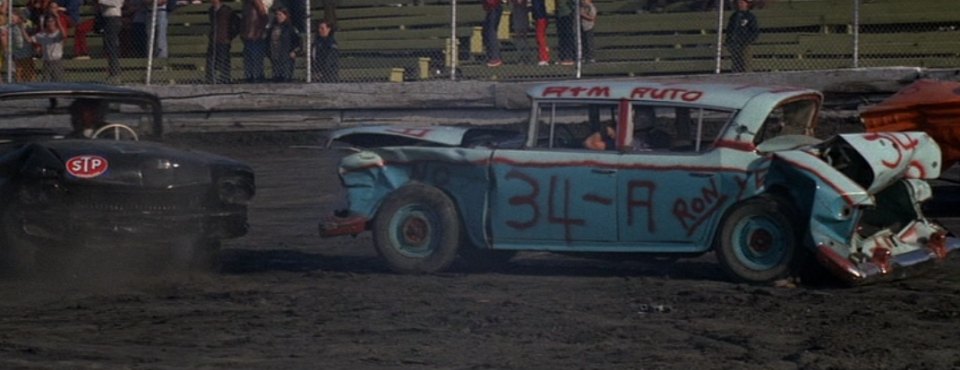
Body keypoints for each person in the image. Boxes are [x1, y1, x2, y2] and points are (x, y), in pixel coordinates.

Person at [267, 6, 300, 82]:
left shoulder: (291, 28)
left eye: (280, 15)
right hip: (275, 55)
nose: (278, 17)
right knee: (276, 77)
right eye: (277, 14)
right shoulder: (272, 27)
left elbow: (298, 42)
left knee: (286, 77)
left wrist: (294, 51)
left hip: (286, 57)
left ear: (285, 16)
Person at [725, 0, 759, 73]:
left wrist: (746, 40)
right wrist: (729, 40)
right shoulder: (734, 16)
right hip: (734, 44)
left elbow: (754, 31)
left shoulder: (750, 16)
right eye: (739, 3)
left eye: (742, 2)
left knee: (745, 61)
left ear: (747, 4)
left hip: (745, 43)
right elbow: (730, 29)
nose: (740, 4)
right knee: (736, 61)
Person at [206, 0, 235, 84]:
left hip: (224, 40)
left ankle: (225, 79)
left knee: (223, 60)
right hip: (213, 40)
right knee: (211, 60)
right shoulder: (211, 10)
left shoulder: (227, 10)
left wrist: (230, 36)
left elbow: (236, 24)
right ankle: (211, 79)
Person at [241, 0, 269, 82]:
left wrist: (260, 32)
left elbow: (264, 17)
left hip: (256, 36)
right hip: (248, 36)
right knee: (248, 59)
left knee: (256, 58)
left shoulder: (257, 4)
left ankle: (258, 77)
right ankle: (250, 77)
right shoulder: (246, 5)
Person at [31, 15, 66, 82]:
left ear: (55, 22)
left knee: (58, 82)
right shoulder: (42, 35)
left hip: (57, 62)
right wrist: (21, 27)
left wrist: (58, 20)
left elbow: (64, 35)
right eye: (48, 22)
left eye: (52, 21)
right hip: (47, 62)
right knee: (45, 81)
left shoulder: (58, 33)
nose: (50, 23)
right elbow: (30, 40)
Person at [99, 0, 123, 82]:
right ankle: (112, 71)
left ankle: (115, 73)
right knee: (108, 47)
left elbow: (116, 2)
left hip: (113, 18)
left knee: (112, 46)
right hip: (106, 18)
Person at [10, 12, 38, 82]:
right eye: (10, 17)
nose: (11, 19)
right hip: (18, 56)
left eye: (13, 17)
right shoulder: (11, 27)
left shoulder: (27, 25)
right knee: (18, 76)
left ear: (19, 17)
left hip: (27, 55)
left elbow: (29, 39)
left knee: (29, 75)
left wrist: (22, 26)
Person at [509, 0, 533, 65]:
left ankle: (525, 57)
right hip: (518, 15)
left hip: (522, 16)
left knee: (523, 38)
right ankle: (522, 58)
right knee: (519, 38)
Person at [481, 0, 503, 67]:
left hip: (494, 7)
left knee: (491, 32)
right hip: (491, 7)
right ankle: (491, 56)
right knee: (487, 31)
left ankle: (495, 58)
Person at [555, 0, 575, 65]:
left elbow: (574, 3)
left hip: (567, 14)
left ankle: (569, 57)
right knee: (561, 37)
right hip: (559, 14)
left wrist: (572, 10)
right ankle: (562, 57)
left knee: (568, 37)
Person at [530, 0, 550, 65]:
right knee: (540, 38)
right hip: (541, 18)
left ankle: (544, 58)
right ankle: (543, 56)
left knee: (540, 38)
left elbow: (537, 7)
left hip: (540, 18)